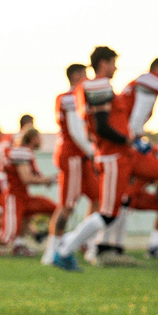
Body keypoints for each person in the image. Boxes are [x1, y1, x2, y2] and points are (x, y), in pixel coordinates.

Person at [51, 50, 158, 270]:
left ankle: (80, 249)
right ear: (103, 63)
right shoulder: (97, 86)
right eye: (113, 63)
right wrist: (126, 140)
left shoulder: (86, 90)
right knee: (100, 211)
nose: (116, 68)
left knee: (106, 208)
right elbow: (99, 127)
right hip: (105, 155)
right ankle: (63, 250)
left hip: (105, 155)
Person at [42, 63, 92, 264]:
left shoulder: (71, 97)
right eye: (85, 74)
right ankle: (52, 251)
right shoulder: (71, 97)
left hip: (79, 155)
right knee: (67, 205)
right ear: (77, 75)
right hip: (73, 154)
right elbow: (76, 131)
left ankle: (80, 242)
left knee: (98, 198)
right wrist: (92, 152)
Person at [0, 126, 57, 252]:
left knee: (54, 208)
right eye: (39, 138)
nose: (41, 141)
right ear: (33, 138)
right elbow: (26, 178)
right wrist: (48, 180)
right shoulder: (21, 151)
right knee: (6, 238)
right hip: (13, 197)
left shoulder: (26, 152)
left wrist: (48, 179)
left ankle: (21, 244)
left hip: (24, 197)